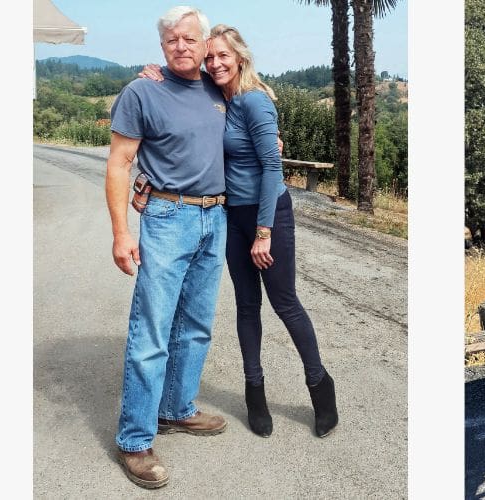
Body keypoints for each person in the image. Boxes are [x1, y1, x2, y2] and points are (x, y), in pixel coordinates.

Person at [141, 25, 339, 439]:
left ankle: (320, 387)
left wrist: (264, 231)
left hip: (269, 216)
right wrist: (154, 71)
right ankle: (255, 393)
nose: (214, 63)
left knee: (285, 303)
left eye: (222, 56)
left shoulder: (254, 101)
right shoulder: (217, 97)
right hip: (231, 216)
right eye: (209, 57)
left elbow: (272, 168)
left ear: (240, 58)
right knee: (247, 307)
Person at [104, 5, 229, 489]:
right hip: (168, 216)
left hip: (215, 217)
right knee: (152, 329)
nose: (181, 46)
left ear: (203, 43)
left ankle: (176, 408)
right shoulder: (142, 91)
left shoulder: (219, 88)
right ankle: (135, 439)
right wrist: (121, 232)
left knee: (196, 324)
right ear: (162, 46)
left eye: (189, 39)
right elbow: (119, 164)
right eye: (172, 39)